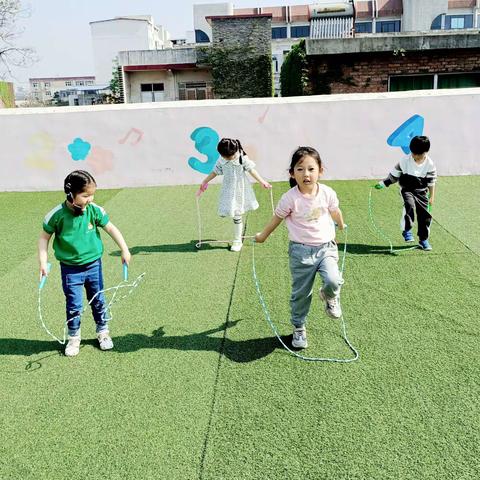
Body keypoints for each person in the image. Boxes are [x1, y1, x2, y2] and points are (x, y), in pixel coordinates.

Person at [255, 147, 345, 349]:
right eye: (300, 169)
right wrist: (262, 236)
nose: (306, 174)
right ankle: (299, 327)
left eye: (311, 169)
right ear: (292, 173)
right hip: (301, 253)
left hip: (327, 248)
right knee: (301, 294)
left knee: (333, 280)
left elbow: (335, 211)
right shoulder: (290, 198)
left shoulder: (327, 193)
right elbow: (276, 219)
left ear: (320, 170)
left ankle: (329, 296)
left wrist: (340, 224)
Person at [38, 170, 131, 357]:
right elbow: (44, 237)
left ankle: (103, 332)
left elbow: (111, 228)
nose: (90, 199)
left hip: (93, 266)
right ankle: (74, 338)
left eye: (92, 194)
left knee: (98, 300)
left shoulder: (94, 210)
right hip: (70, 269)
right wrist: (43, 261)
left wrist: (124, 249)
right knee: (74, 304)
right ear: (71, 194)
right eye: (85, 195)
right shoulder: (56, 215)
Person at [198, 138, 272, 252]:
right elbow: (215, 171)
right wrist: (205, 181)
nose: (227, 158)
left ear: (235, 151)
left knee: (237, 214)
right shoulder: (222, 160)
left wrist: (262, 182)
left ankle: (237, 240)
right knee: (233, 212)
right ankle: (237, 237)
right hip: (228, 189)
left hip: (241, 190)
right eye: (224, 156)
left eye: (229, 156)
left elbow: (252, 170)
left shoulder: (242, 158)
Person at [375, 135, 437, 251]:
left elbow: (431, 181)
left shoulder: (430, 164)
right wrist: (383, 184)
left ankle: (423, 239)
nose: (416, 156)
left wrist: (432, 196)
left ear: (426, 152)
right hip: (407, 189)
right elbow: (394, 176)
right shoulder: (404, 160)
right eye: (413, 153)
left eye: (419, 154)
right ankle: (407, 230)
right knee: (409, 205)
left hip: (422, 191)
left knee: (425, 215)